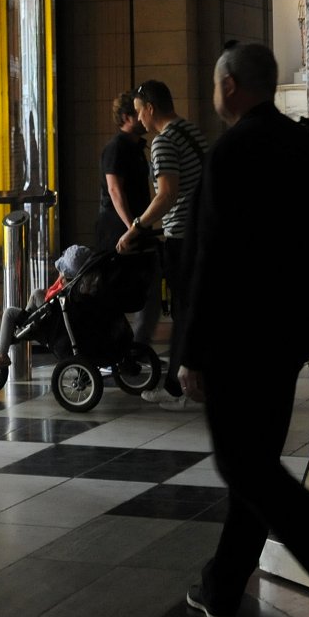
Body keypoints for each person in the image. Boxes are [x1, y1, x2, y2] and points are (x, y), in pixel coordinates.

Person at [176, 41, 309, 617]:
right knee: (255, 462)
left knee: (242, 465)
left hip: (238, 336)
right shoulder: (302, 141)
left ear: (232, 85)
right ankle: (221, 588)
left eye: (218, 83)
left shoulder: (233, 151)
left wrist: (190, 350)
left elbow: (209, 260)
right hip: (288, 329)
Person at [119, 79, 210, 406]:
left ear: (151, 108)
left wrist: (136, 227)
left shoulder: (163, 142)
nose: (138, 118)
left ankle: (178, 387)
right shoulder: (191, 132)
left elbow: (167, 193)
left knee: (185, 311)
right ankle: (197, 381)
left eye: (140, 111)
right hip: (202, 234)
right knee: (196, 309)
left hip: (182, 238)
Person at [98, 90, 161, 346]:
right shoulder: (116, 147)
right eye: (138, 112)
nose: (145, 116)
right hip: (119, 230)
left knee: (149, 285)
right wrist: (130, 227)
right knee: (120, 287)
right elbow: (114, 189)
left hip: (136, 228)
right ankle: (121, 345)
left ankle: (138, 344)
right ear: (127, 117)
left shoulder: (137, 148)